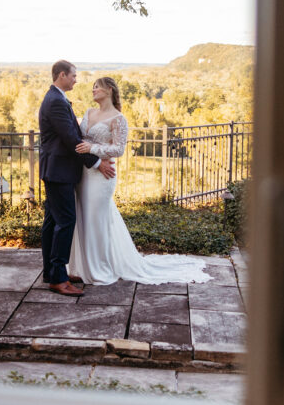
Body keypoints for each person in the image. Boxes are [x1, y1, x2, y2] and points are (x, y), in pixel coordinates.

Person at [69, 77, 212, 285]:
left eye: (96, 87)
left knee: (96, 219)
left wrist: (93, 149)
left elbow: (118, 149)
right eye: (92, 87)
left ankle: (99, 267)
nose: (93, 90)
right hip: (85, 173)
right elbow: (81, 139)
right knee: (83, 217)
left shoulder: (119, 118)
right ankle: (82, 266)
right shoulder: (89, 113)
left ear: (109, 90)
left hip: (103, 176)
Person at [38, 60, 116, 296]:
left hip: (56, 170)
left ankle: (52, 272)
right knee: (65, 222)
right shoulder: (55, 101)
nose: (76, 79)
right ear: (62, 75)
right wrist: (95, 162)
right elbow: (71, 139)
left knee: (52, 221)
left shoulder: (57, 98)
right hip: (59, 171)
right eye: (73, 75)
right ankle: (59, 279)